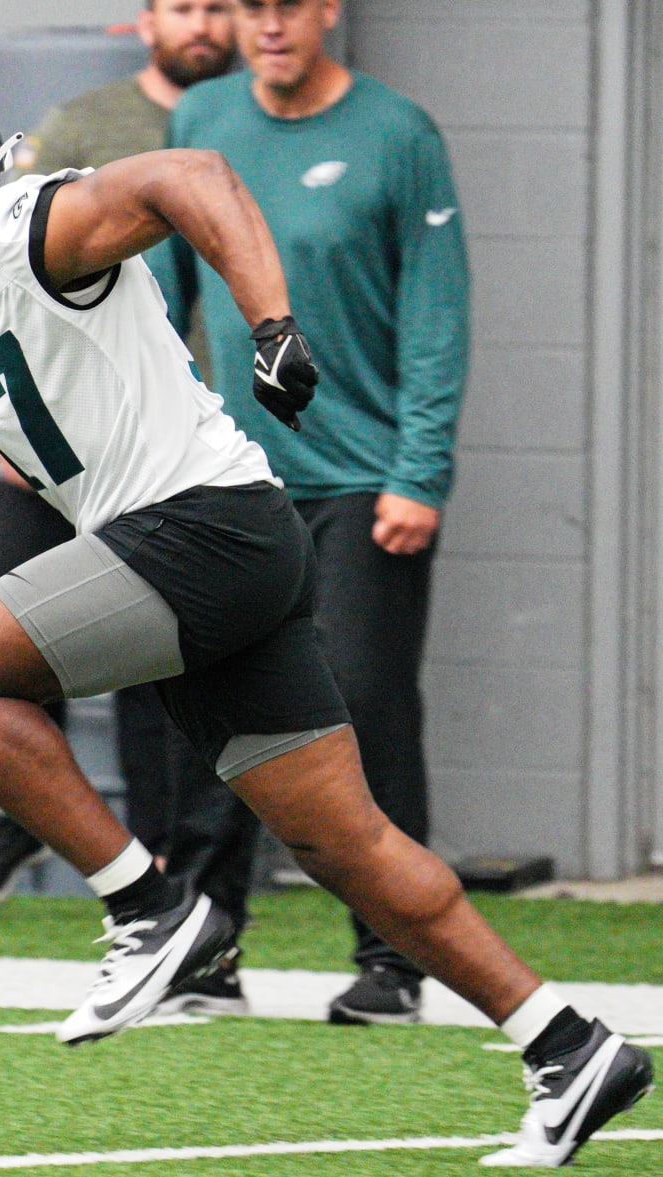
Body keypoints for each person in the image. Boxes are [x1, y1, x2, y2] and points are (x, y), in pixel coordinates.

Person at [0, 56, 653, 1168]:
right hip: (190, 555)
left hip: (204, 525)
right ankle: (567, 1046)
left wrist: (272, 323)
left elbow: (192, 174)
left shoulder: (28, 223)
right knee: (351, 847)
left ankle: (150, 912)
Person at [0, 0, 255, 1021]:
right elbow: (2, 286)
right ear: (146, 19)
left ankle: (191, 918)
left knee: (174, 693)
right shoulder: (79, 126)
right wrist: (20, 426)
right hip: (60, 448)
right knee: (5, 649)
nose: (204, 23)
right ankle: (51, 833)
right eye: (186, 4)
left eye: (223, 6)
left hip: (182, 450)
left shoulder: (241, 123)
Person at [165, 0, 463, 1026]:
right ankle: (204, 951)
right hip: (228, 479)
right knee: (218, 708)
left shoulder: (399, 134)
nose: (270, 26)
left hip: (363, 483)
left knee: (364, 711)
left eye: (289, 5)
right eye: (252, 9)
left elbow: (438, 312)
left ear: (327, 10)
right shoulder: (200, 120)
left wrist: (419, 472)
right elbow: (159, 304)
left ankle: (393, 962)